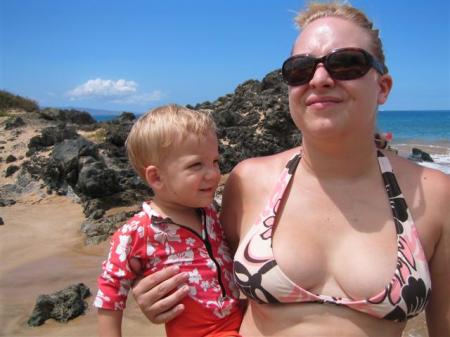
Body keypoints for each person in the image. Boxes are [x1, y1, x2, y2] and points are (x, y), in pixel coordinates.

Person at [130, 3, 450, 337]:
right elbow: (211, 281)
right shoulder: (249, 180)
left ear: (382, 87)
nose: (320, 78)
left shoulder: (436, 196)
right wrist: (159, 295)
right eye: (301, 68)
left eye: (345, 63)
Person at [94, 104, 243, 337]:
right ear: (156, 177)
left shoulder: (210, 213)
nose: (214, 174)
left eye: (215, 161)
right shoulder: (136, 232)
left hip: (241, 323)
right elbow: (110, 293)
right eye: (196, 165)